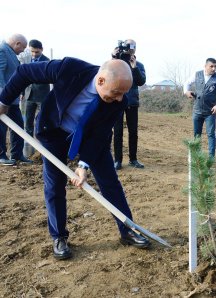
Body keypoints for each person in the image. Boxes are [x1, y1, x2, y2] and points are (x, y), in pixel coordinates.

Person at [0, 57, 151, 260]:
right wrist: (4, 101)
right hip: (54, 131)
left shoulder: (119, 100)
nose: (119, 99)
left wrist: (83, 165)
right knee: (54, 184)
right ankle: (59, 237)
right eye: (116, 92)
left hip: (90, 138)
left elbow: (100, 135)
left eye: (123, 94)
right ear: (100, 81)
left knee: (110, 182)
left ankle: (127, 229)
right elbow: (25, 72)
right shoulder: (69, 69)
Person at [112, 39, 146, 170]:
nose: (130, 49)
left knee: (133, 132)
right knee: (118, 132)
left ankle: (133, 159)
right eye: (128, 47)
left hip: (132, 101)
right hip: (117, 101)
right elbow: (108, 74)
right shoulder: (116, 63)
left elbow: (141, 81)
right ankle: (117, 160)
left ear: (135, 49)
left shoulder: (139, 65)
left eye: (133, 47)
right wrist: (113, 58)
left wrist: (134, 67)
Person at [183, 58, 216, 157]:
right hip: (197, 110)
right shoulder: (197, 74)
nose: (214, 68)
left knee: (211, 134)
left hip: (210, 111)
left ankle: (211, 158)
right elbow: (187, 83)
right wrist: (186, 91)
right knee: (196, 134)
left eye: (215, 66)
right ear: (205, 66)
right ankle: (196, 156)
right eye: (211, 66)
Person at [0, 33, 31, 165]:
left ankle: (17, 154)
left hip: (11, 99)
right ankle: (1, 156)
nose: (23, 50)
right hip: (3, 99)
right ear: (17, 43)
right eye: (23, 47)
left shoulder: (11, 53)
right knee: (1, 128)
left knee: (18, 124)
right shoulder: (2, 50)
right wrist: (2, 96)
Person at [19, 39, 51, 136]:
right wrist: (22, 93)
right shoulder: (26, 60)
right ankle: (29, 142)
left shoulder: (47, 61)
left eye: (36, 52)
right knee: (28, 120)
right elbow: (23, 77)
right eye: (32, 51)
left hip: (42, 96)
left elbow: (48, 78)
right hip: (29, 96)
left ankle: (42, 142)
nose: (34, 54)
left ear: (42, 50)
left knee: (41, 120)